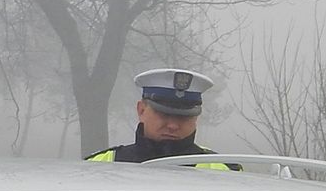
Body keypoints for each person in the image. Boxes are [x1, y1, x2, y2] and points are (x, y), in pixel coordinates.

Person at [85, 68, 238, 169]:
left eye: (183, 117)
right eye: (164, 114)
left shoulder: (225, 170)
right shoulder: (98, 167)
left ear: (196, 117)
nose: (172, 125)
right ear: (141, 110)